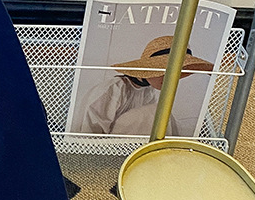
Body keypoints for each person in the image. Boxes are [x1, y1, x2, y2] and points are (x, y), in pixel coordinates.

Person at [80, 35, 214, 136]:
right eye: (164, 72)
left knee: (164, 112)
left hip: (133, 145)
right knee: (156, 112)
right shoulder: (114, 88)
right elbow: (89, 129)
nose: (170, 80)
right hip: (104, 148)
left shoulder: (148, 90)